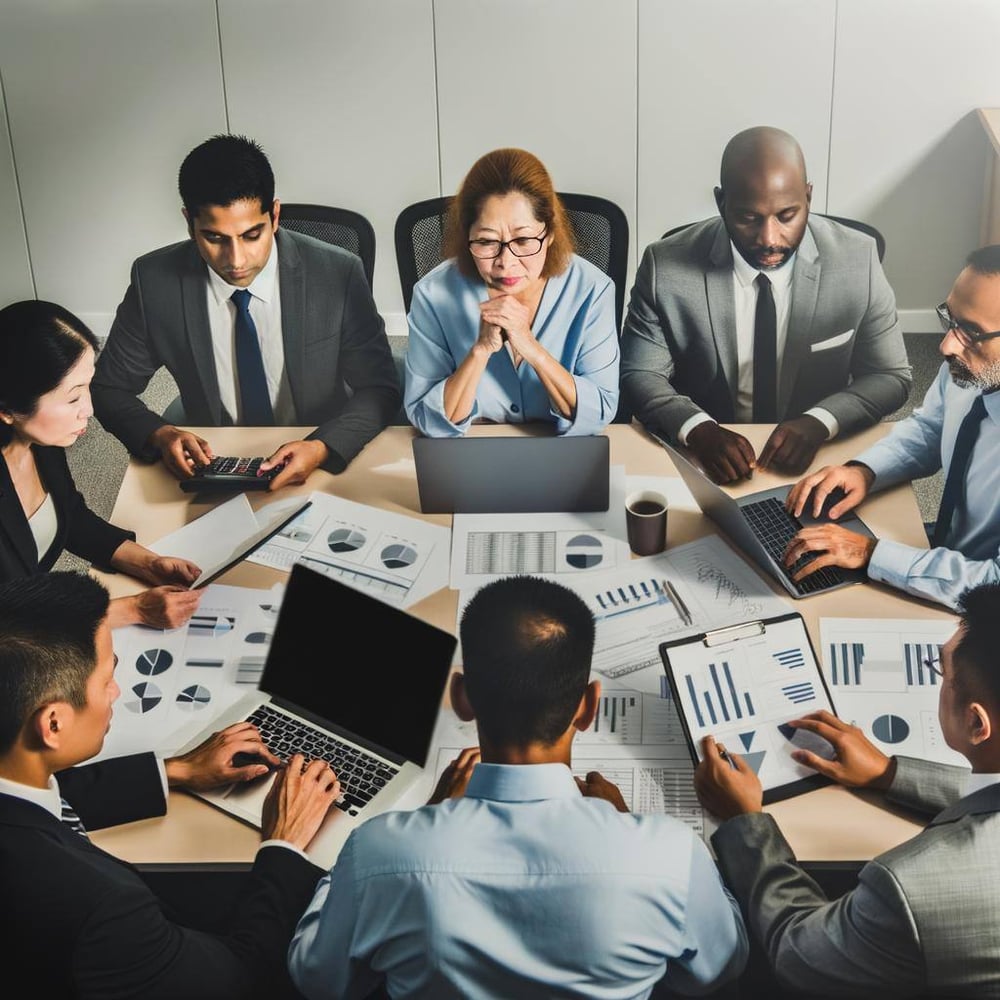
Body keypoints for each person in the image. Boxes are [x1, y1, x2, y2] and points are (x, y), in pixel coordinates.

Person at [287, 575, 747, 999]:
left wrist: (418, 823)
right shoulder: (668, 856)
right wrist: (625, 827)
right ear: (588, 708)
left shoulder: (378, 853)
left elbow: (320, 980)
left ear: (462, 699)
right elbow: (717, 968)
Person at [0, 570, 340, 998]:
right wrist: (285, 844)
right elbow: (243, 980)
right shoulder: (104, 909)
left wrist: (175, 771)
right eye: (107, 679)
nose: (117, 692)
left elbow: (38, 797)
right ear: (53, 723)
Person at [694, 581, 1000, 998]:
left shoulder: (911, 887)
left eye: (942, 671)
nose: (940, 680)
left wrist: (745, 823)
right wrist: (890, 774)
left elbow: (797, 955)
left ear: (976, 723)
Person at [91, 133, 400, 489]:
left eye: (252, 235)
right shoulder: (154, 281)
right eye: (215, 238)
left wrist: (320, 447)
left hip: (315, 446)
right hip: (216, 459)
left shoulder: (338, 272)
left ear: (275, 215)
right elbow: (109, 387)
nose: (236, 260)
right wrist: (160, 434)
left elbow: (379, 387)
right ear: (188, 222)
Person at [620, 125, 911, 483]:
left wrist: (821, 421)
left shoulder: (858, 260)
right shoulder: (664, 266)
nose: (769, 239)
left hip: (819, 460)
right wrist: (697, 429)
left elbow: (890, 375)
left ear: (808, 197)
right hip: (705, 460)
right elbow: (640, 374)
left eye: (787, 216)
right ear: (721, 203)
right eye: (748, 218)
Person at [783, 244, 1000, 610]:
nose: (946, 346)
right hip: (944, 549)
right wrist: (865, 471)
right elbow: (931, 428)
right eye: (951, 320)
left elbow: (994, 582)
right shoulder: (971, 370)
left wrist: (871, 554)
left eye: (972, 333)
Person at [0, 299, 202, 629]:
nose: (89, 410)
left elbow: (70, 517)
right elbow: (10, 621)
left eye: (87, 388)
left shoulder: (37, 440)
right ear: (8, 409)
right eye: (73, 397)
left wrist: (148, 564)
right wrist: (133, 610)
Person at [403, 148, 620, 436]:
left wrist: (531, 348)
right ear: (466, 236)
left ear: (550, 233)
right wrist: (479, 352)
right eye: (486, 241)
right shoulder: (433, 295)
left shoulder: (592, 289)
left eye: (524, 239)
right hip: (469, 457)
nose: (506, 263)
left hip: (562, 455)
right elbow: (425, 417)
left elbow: (599, 411)